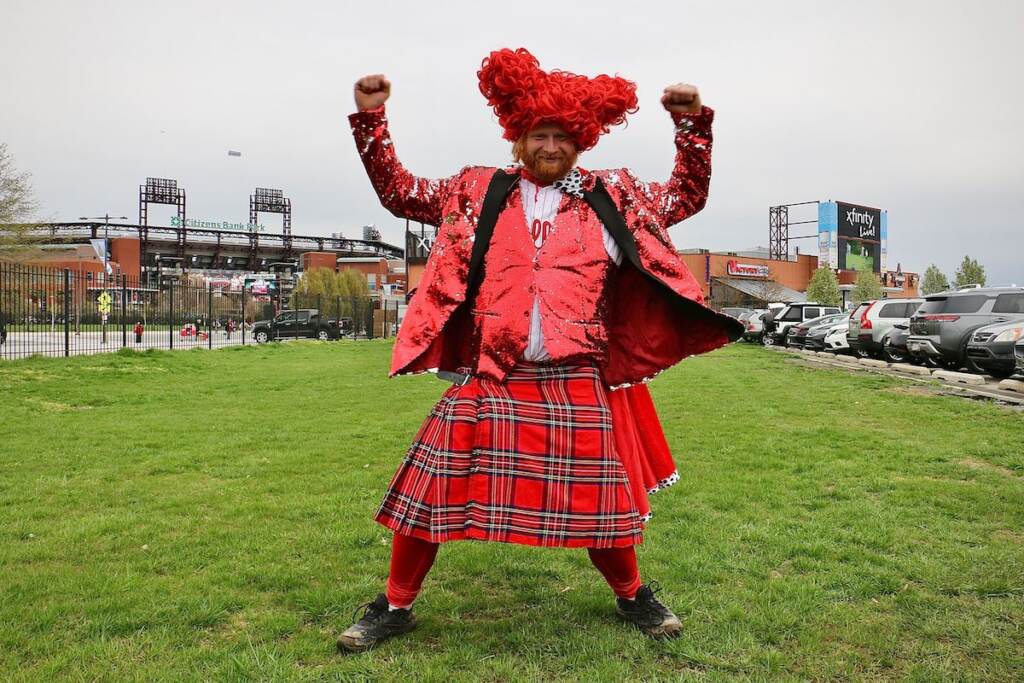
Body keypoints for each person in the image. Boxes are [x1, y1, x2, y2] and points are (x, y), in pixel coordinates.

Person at [338, 48, 742, 652]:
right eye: (538, 134)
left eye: (562, 136)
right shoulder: (476, 189)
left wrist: (691, 125)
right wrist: (372, 118)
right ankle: (394, 606)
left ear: (581, 141)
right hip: (492, 371)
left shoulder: (616, 196)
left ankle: (633, 597)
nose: (550, 145)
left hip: (575, 373)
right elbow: (399, 191)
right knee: (428, 491)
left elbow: (687, 194)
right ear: (518, 139)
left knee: (600, 502)